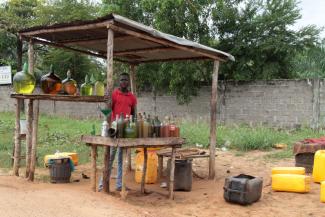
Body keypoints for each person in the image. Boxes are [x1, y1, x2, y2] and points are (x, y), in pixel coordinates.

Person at [108, 72, 137, 191]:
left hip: (125, 132)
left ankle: (119, 185)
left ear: (128, 82)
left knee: (121, 159)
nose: (124, 82)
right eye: (122, 80)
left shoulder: (132, 97)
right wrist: (110, 126)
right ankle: (101, 184)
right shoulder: (114, 94)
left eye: (126, 80)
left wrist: (132, 127)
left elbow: (133, 115)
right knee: (110, 157)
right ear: (119, 82)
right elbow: (109, 110)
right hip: (114, 130)